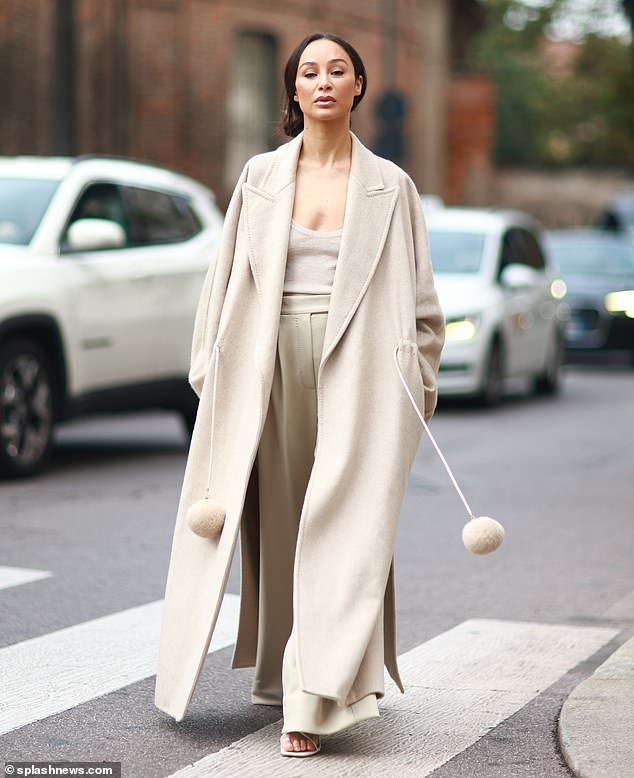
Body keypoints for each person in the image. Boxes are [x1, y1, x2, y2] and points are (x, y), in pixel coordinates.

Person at [154, 32, 445, 759]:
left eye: (336, 71)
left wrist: (418, 384)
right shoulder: (258, 177)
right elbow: (221, 289)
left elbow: (423, 308)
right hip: (265, 364)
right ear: (293, 91)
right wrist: (208, 377)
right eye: (308, 72)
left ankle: (317, 698)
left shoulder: (393, 187)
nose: (322, 82)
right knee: (282, 523)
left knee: (346, 527)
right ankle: (291, 676)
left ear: (358, 87)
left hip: (365, 373)